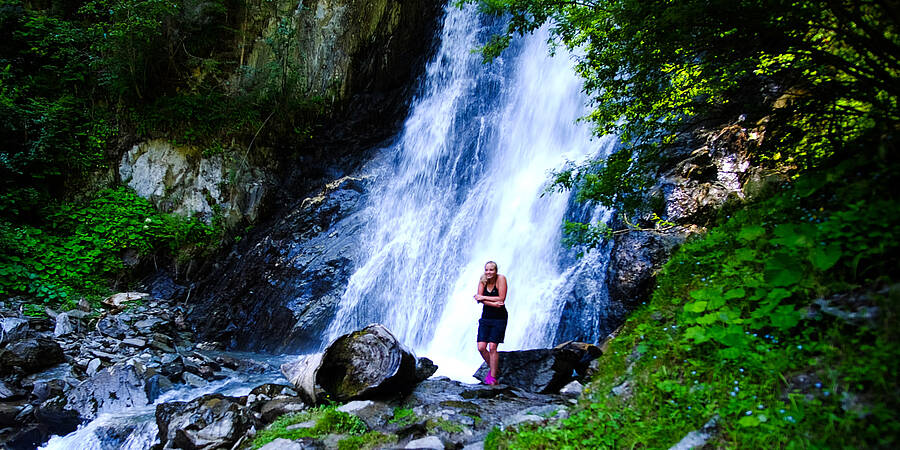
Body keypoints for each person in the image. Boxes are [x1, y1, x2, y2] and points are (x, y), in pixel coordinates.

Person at [474, 260, 507, 385]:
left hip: (499, 318)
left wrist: (483, 298)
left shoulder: (501, 279)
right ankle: (496, 369)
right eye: (487, 270)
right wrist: (492, 302)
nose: (489, 272)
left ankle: (492, 377)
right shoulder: (482, 280)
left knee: (492, 347)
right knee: (481, 347)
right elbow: (478, 299)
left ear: (496, 270)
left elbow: (501, 299)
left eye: (491, 270)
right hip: (486, 317)